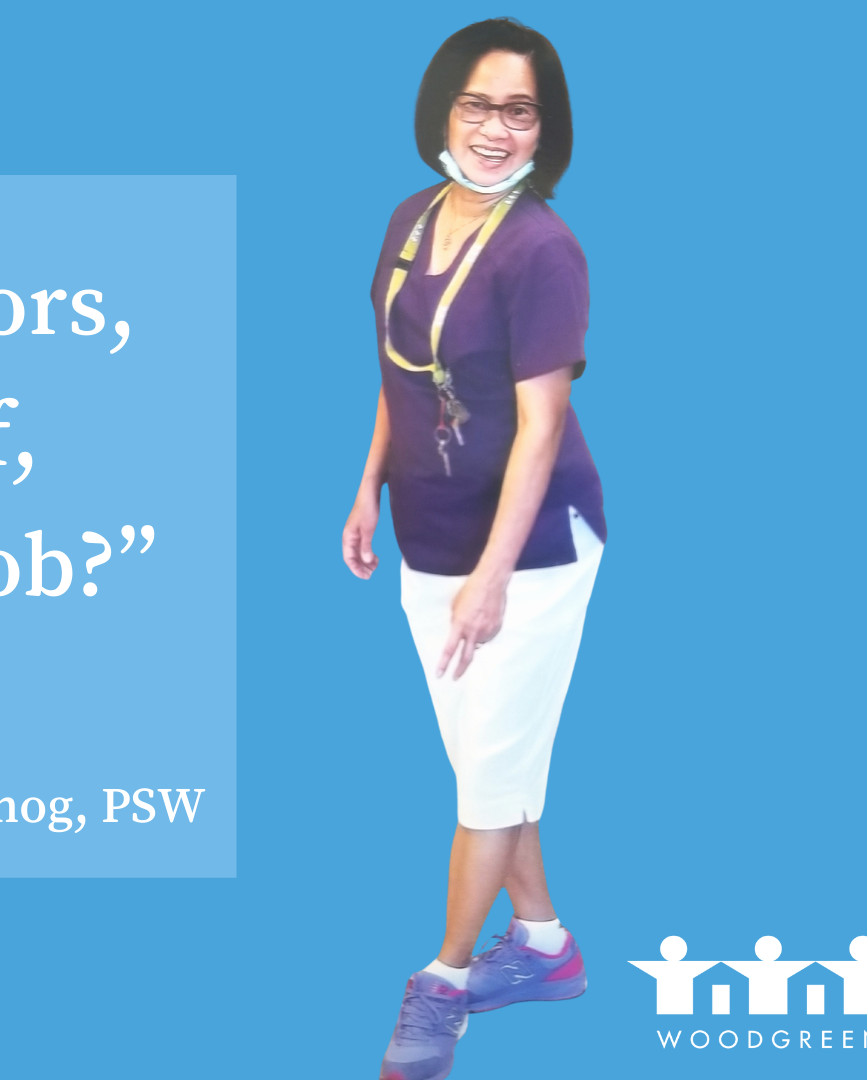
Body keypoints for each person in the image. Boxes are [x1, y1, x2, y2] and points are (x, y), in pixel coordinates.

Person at [339, 18, 606, 1080]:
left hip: (529, 554)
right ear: (442, 110)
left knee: (487, 779)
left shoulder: (543, 249)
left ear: (547, 128)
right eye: (478, 105)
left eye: (521, 110)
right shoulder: (411, 219)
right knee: (494, 760)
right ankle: (544, 948)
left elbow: (541, 426)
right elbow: (399, 371)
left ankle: (445, 981)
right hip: (428, 537)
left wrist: (494, 578)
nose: (497, 130)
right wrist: (367, 484)